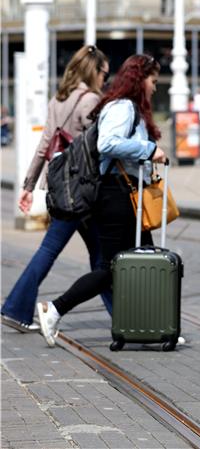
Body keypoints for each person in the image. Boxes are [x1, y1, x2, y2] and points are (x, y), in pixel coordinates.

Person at [36, 54, 168, 346]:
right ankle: (55, 308)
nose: (154, 87)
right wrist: (149, 149)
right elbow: (107, 143)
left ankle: (156, 325)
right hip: (115, 195)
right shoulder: (122, 107)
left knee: (146, 258)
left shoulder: (128, 107)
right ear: (139, 78)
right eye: (153, 81)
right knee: (110, 268)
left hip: (126, 194)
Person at [1, 46, 112, 333]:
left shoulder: (58, 99)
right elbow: (100, 147)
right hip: (83, 190)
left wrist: (28, 185)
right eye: (103, 73)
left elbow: (45, 144)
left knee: (100, 257)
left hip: (61, 186)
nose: (105, 79)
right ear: (93, 70)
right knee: (64, 252)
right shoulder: (90, 101)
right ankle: (14, 307)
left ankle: (122, 318)